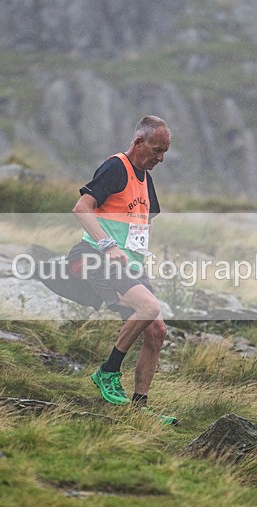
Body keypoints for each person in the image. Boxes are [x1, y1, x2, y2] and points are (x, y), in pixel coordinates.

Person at [70, 115, 176, 424]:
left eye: (164, 152)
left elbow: (147, 221)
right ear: (138, 142)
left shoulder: (146, 177)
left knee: (157, 331)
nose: (160, 158)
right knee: (148, 307)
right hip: (97, 255)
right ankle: (108, 371)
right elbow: (82, 208)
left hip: (129, 264)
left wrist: (141, 257)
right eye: (156, 150)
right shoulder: (116, 168)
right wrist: (107, 245)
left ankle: (140, 410)